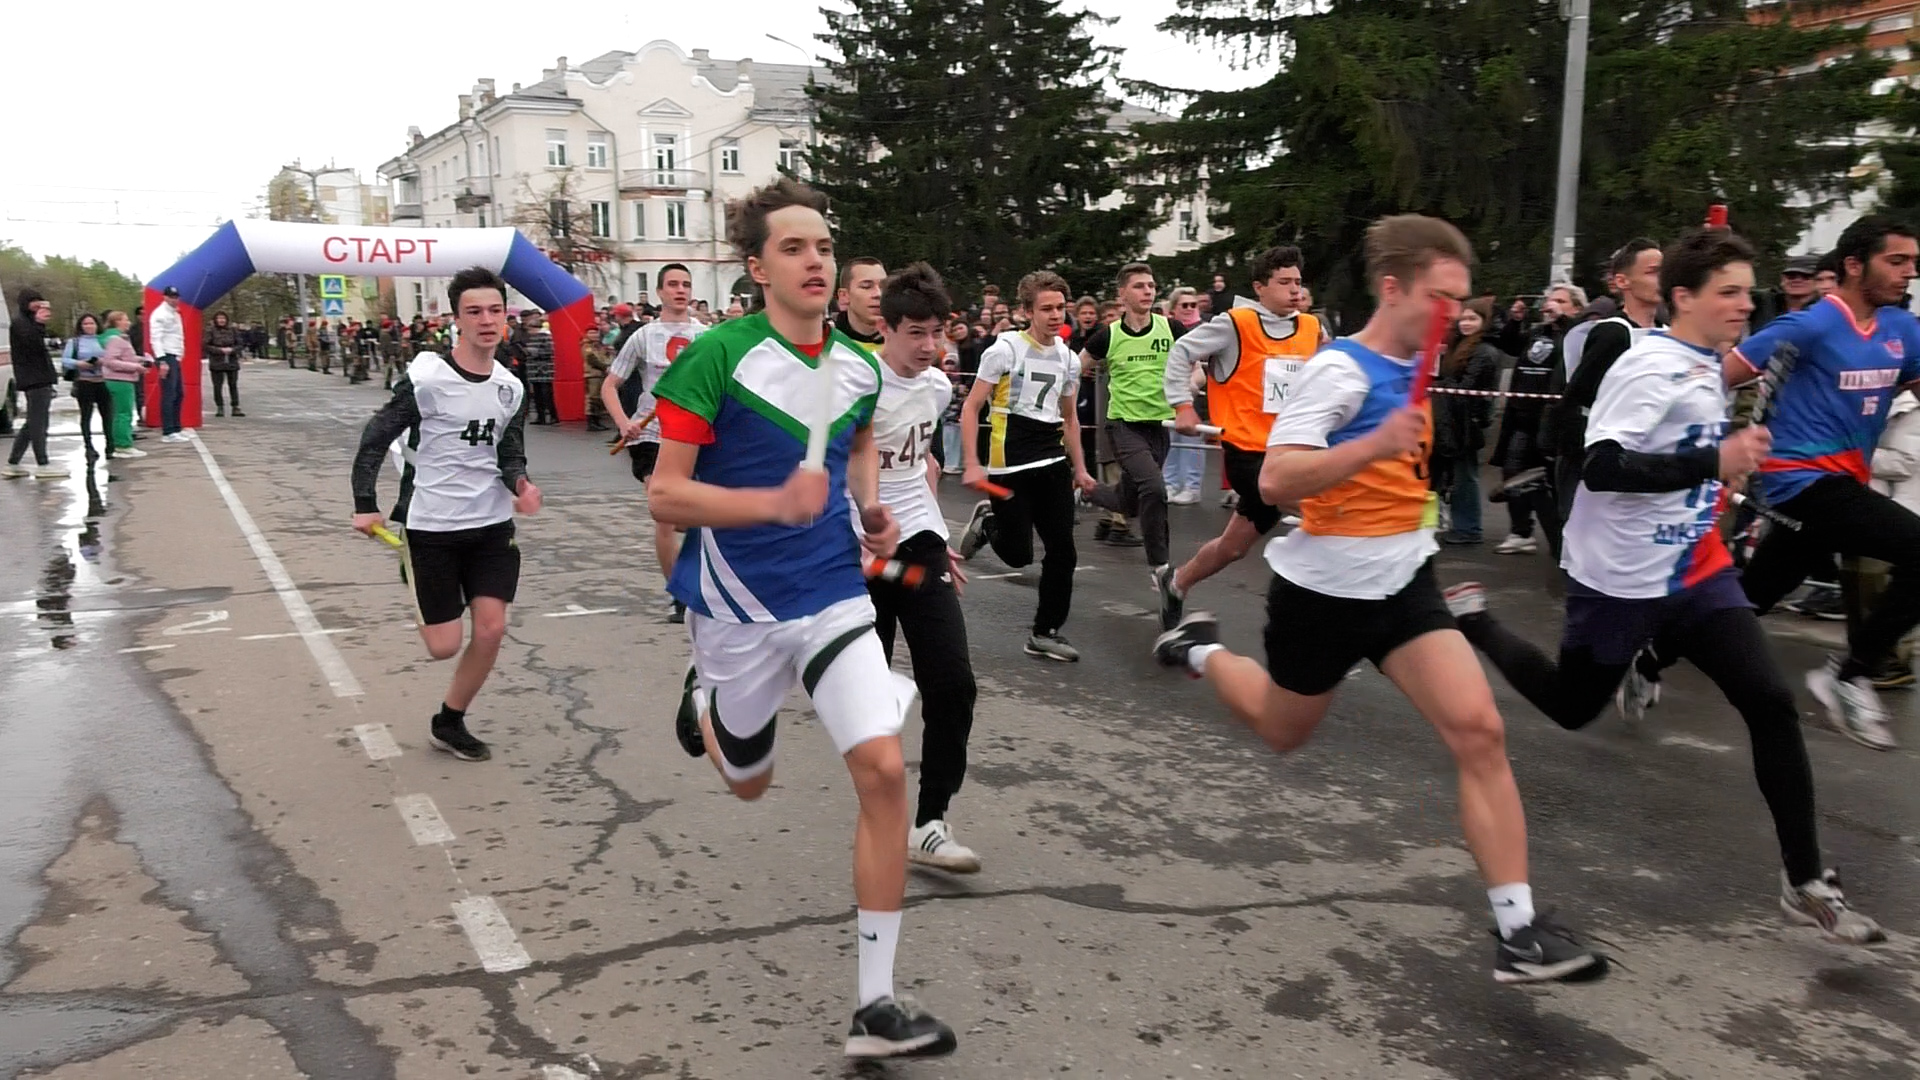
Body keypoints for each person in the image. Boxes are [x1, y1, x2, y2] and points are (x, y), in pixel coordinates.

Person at [1151, 214, 1605, 985]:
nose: (1454, 314)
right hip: (1322, 594)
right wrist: (1372, 445)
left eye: (1462, 300)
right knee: (1282, 729)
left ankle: (1519, 933)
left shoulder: (1420, 364)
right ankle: (1198, 648)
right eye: (1439, 297)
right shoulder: (1341, 370)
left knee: (1479, 731)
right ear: (1392, 289)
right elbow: (1276, 479)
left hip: (1404, 583)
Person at [1441, 228, 1884, 945]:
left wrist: (1722, 472)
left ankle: (1804, 881)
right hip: (1619, 579)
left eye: (1748, 291)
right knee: (1571, 706)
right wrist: (1714, 461)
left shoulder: (1707, 364)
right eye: (1729, 292)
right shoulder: (1649, 367)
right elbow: (1604, 465)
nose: (1746, 305)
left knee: (1770, 704)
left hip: (1696, 568)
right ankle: (1478, 622)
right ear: (1684, 296)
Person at [651, 178, 958, 1060]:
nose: (815, 260)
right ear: (757, 268)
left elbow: (859, 438)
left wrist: (868, 510)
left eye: (823, 246)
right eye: (794, 248)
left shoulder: (858, 366)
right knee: (750, 783)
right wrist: (769, 504)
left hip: (831, 595)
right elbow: (665, 495)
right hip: (739, 610)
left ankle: (875, 1007)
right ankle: (706, 703)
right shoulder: (717, 357)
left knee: (885, 771)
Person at [1642, 214, 1920, 751]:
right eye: (1897, 261)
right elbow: (1715, 378)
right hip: (1799, 480)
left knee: (1749, 601)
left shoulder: (1902, 330)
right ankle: (1850, 675)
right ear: (1854, 264)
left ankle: (1651, 655)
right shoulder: (1810, 325)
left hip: (1842, 485)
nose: (1909, 272)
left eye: (1913, 262)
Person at [350, 267, 541, 764]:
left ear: (506, 316)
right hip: (432, 525)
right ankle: (418, 577)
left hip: (490, 526)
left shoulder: (510, 387)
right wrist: (365, 504)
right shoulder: (428, 380)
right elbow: (375, 437)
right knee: (442, 646)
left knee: (492, 628)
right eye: (474, 312)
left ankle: (449, 721)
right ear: (456, 319)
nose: (486, 320)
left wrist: (521, 485)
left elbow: (510, 453)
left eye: (495, 310)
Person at [866, 262, 982, 874]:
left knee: (954, 683)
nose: (929, 346)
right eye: (915, 333)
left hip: (920, 548)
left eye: (936, 332)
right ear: (885, 328)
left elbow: (924, 466)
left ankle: (930, 822)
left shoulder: (937, 387)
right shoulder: (858, 384)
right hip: (861, 557)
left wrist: (938, 532)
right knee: (871, 700)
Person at [1156, 247, 1323, 630]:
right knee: (1331, 512)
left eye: (1298, 282)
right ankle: (1320, 618)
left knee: (1233, 547)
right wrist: (1182, 405)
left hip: (1292, 451)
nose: (1294, 290)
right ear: (1260, 287)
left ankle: (1176, 583)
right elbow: (1182, 352)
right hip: (1248, 455)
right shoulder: (1235, 324)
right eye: (1284, 282)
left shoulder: (1312, 328)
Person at [956, 271, 1096, 662]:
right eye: (1046, 308)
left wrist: (1081, 468)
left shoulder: (1068, 358)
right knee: (1019, 556)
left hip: (1052, 459)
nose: (1055, 315)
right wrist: (972, 463)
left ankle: (1044, 631)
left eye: (1060, 308)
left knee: (1063, 552)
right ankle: (989, 524)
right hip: (1010, 461)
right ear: (1027, 311)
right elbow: (971, 406)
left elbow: (1070, 417)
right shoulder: (1005, 351)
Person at [602, 263, 704, 622]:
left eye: (686, 284)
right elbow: (609, 386)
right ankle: (679, 595)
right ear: (660, 292)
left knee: (696, 518)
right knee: (663, 515)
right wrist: (623, 422)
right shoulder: (644, 336)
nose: (680, 290)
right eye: (673, 284)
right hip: (651, 435)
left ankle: (704, 581)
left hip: (694, 435)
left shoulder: (706, 336)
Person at [1079, 263, 1177, 574]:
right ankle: (1161, 567)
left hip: (1160, 427)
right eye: (1139, 286)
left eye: (1151, 285)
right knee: (1155, 489)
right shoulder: (1108, 336)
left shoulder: (1171, 329)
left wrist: (1189, 384)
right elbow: (1074, 369)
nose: (1148, 291)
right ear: (1122, 294)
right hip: (1123, 425)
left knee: (1128, 502)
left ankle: (1085, 491)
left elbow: (1198, 369)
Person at [1429, 298, 1502, 544]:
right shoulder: (1457, 347)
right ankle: (1438, 522)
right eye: (1463, 319)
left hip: (1467, 423)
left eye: (1473, 319)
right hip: (1450, 420)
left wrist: (1438, 385)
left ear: (1485, 321)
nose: (1466, 324)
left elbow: (1466, 388)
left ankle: (1469, 528)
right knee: (1440, 474)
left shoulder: (1484, 352)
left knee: (1464, 477)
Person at [4, 290, 62, 479]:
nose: (38, 304)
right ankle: (42, 464)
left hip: (39, 378)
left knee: (32, 423)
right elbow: (32, 345)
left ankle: (13, 463)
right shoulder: (21, 323)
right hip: (34, 379)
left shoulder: (27, 323)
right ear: (25, 303)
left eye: (39, 300)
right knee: (39, 423)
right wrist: (39, 323)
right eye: (33, 301)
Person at [98, 311, 148, 459]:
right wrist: (136, 367)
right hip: (121, 380)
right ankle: (123, 446)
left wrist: (141, 359)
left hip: (117, 380)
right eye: (125, 320)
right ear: (117, 322)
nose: (129, 323)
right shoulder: (116, 339)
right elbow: (111, 361)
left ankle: (120, 444)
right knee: (123, 414)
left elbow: (123, 357)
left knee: (119, 414)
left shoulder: (110, 338)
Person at [62, 313, 112, 461]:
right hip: (84, 381)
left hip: (103, 381)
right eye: (85, 324)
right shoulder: (75, 342)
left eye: (92, 323)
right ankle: (88, 446)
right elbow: (65, 360)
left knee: (108, 415)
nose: (89, 326)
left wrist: (102, 361)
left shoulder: (104, 340)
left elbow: (114, 358)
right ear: (80, 326)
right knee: (86, 415)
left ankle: (110, 445)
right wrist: (79, 363)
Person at [149, 286, 188, 443]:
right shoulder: (160, 314)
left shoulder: (174, 312)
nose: (174, 299)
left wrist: (180, 353)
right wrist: (161, 360)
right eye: (171, 297)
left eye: (176, 297)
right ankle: (168, 431)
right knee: (169, 394)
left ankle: (176, 427)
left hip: (174, 355)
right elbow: (155, 338)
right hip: (166, 355)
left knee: (179, 393)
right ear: (164, 297)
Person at [835, 257, 886, 351]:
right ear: (844, 296)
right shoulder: (827, 345)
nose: (878, 294)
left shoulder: (904, 343)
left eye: (884, 286)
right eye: (866, 286)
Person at [205, 311, 245, 418]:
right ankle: (220, 407)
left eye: (223, 318)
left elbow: (240, 344)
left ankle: (235, 406)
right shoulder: (210, 331)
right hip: (217, 361)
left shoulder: (233, 330)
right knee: (217, 386)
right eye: (219, 318)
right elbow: (206, 345)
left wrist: (232, 350)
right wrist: (219, 350)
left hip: (231, 360)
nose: (221, 320)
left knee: (233, 384)